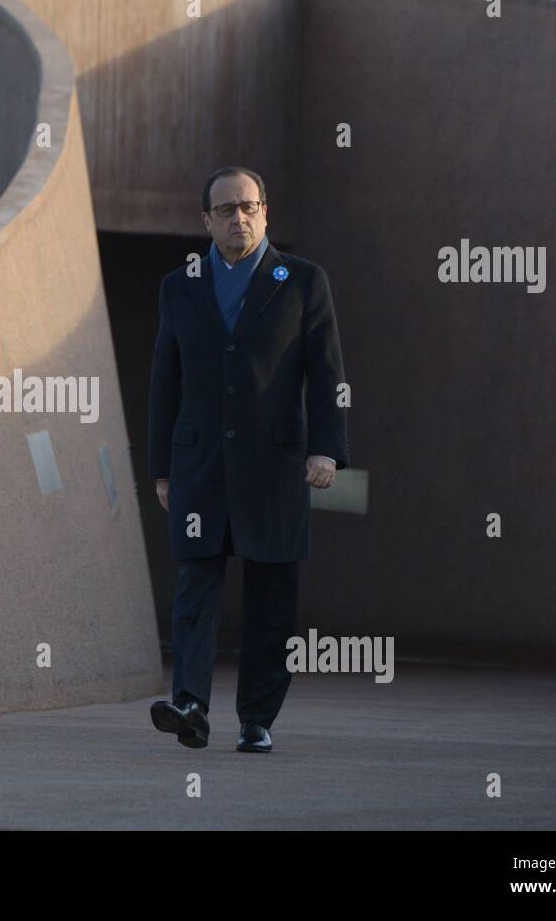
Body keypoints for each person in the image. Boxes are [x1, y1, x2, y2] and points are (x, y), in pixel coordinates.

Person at [147, 166, 349, 752]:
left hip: (275, 465)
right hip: (200, 465)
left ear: (265, 212)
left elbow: (328, 376)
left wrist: (327, 449)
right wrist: (162, 467)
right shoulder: (180, 286)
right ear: (205, 220)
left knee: (271, 595)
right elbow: (165, 382)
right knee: (195, 586)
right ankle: (190, 705)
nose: (239, 218)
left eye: (249, 207)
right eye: (226, 209)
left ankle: (257, 718)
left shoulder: (303, 281)